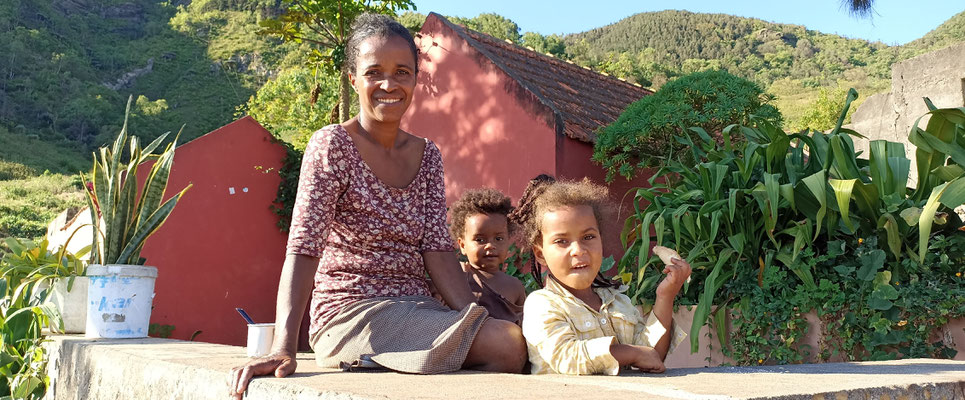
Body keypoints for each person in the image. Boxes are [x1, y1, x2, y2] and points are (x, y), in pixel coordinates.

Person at [228, 14, 526, 398]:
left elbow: (436, 248)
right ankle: (364, 355)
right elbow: (304, 248)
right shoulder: (332, 146)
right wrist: (284, 346)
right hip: (350, 312)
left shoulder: (428, 155)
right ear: (353, 78)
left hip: (418, 309)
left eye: (402, 72)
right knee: (505, 343)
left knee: (509, 342)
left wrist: (472, 317)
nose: (389, 84)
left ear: (417, 79)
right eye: (374, 73)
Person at [511, 176, 690, 375]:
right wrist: (630, 353)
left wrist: (665, 296)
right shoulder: (542, 304)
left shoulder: (618, 301)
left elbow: (651, 355)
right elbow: (567, 356)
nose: (578, 250)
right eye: (562, 241)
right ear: (540, 254)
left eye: (588, 237)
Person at [448, 188, 526, 325]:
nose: (490, 245)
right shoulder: (459, 276)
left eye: (499, 239)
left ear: (508, 241)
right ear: (462, 245)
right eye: (480, 240)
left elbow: (525, 325)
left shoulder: (515, 286)